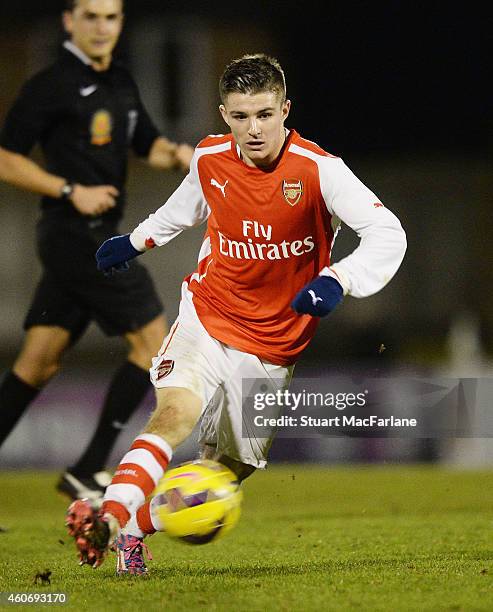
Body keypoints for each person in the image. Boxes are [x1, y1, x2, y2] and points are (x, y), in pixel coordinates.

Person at [65, 53, 407, 574]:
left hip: (274, 343)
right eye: (241, 116)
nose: (254, 129)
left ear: (285, 110)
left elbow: (388, 233)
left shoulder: (320, 171)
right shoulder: (209, 158)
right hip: (210, 314)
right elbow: (184, 209)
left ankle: (135, 524)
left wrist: (339, 279)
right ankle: (108, 521)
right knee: (174, 414)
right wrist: (134, 242)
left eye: (265, 114)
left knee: (224, 474)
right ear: (224, 114)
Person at [0, 0, 193, 504]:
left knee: (37, 363)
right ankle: (88, 469)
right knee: (154, 345)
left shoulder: (122, 83)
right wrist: (68, 189)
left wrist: (184, 158)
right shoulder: (51, 85)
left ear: (121, 22)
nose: (101, 26)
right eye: (90, 16)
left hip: (87, 239)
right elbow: (4, 156)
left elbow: (147, 145)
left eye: (110, 17)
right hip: (77, 235)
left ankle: (85, 469)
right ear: (69, 21)